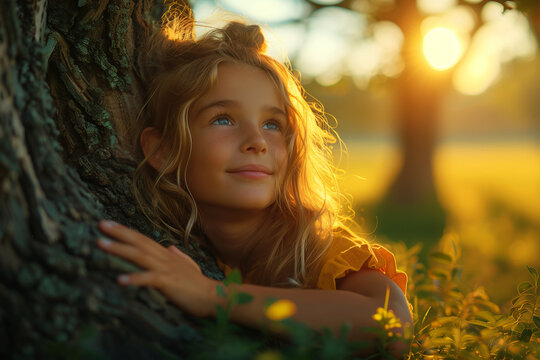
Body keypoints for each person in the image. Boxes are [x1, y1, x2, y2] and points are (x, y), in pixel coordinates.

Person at [95, 9, 412, 358]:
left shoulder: (317, 248)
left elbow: (391, 326)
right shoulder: (172, 237)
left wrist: (213, 296)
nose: (256, 141)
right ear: (162, 149)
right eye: (223, 119)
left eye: (273, 124)